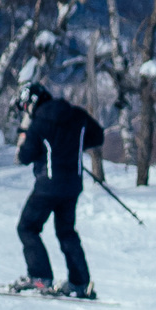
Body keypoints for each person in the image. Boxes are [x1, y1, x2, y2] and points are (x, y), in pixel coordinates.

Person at [13, 84, 105, 297]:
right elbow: (97, 136)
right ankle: (80, 283)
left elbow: (24, 157)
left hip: (48, 186)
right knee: (66, 232)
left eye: (26, 106)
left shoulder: (38, 123)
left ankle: (40, 277)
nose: (26, 110)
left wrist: (27, 135)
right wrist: (70, 147)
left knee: (27, 227)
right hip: (73, 185)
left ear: (33, 102)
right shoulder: (77, 115)